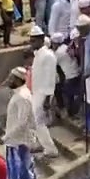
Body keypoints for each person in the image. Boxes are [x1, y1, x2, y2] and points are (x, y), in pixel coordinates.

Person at [28, 28, 60, 157]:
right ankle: (40, 143)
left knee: (38, 122)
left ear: (41, 40)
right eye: (30, 40)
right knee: (34, 121)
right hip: (36, 91)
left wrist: (47, 99)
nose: (31, 43)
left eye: (33, 41)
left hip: (44, 93)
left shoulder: (48, 56)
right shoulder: (38, 54)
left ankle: (50, 149)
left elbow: (50, 79)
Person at [54, 29, 82, 118]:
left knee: (69, 97)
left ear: (55, 43)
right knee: (77, 94)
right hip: (77, 73)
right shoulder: (67, 47)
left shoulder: (58, 53)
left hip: (70, 77)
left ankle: (71, 114)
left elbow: (53, 64)